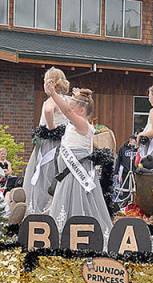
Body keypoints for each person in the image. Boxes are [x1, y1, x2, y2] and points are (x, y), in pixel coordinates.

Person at [44, 88, 113, 237]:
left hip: (78, 174)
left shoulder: (82, 124)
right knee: (66, 200)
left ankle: (81, 235)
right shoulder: (74, 124)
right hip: (68, 173)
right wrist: (74, 95)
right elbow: (67, 110)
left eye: (73, 105)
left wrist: (53, 94)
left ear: (81, 110)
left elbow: (67, 112)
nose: (69, 107)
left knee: (79, 201)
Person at [24, 67, 71, 214]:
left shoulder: (51, 100)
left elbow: (48, 110)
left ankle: (40, 210)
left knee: (43, 178)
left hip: (49, 145)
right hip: (64, 143)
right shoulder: (68, 100)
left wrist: (51, 127)